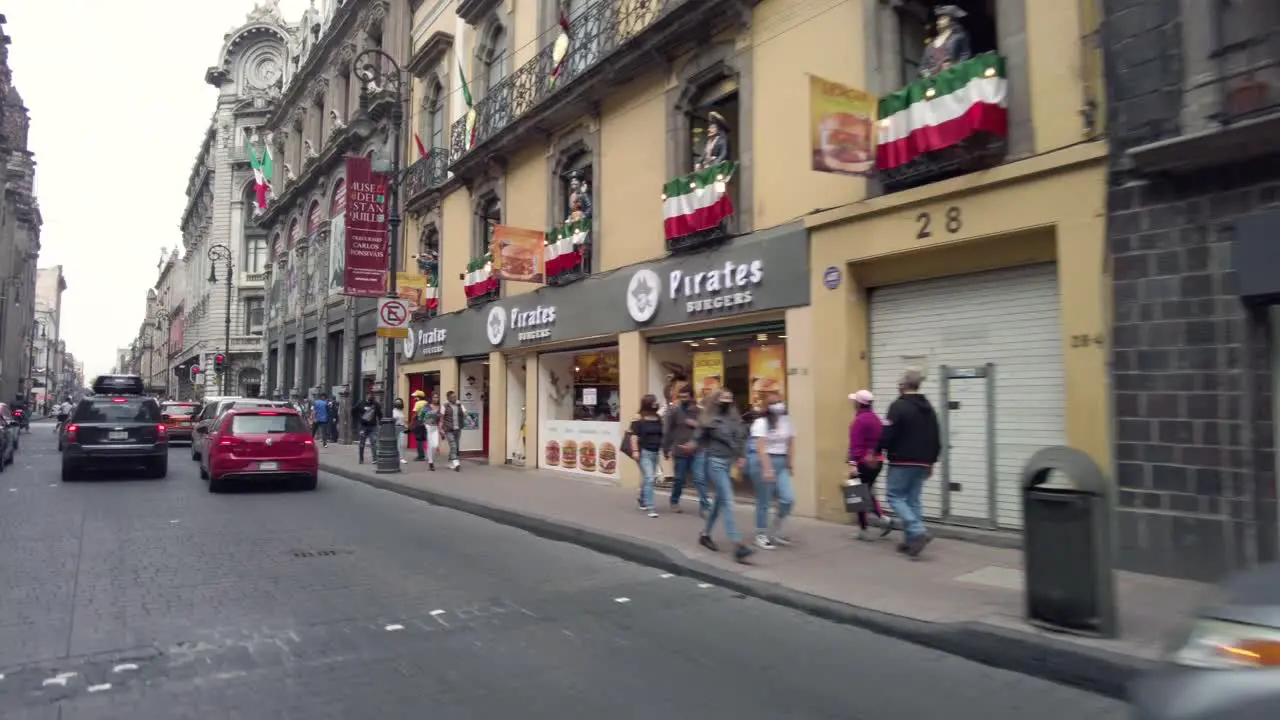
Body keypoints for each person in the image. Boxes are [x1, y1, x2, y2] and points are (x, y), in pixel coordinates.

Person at [877, 367, 942, 558]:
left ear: (904, 385)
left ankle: (917, 530)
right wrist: (931, 461)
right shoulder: (929, 408)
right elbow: (936, 436)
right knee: (913, 500)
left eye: (899, 384)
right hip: (922, 462)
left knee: (895, 497)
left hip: (902, 460)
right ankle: (910, 542)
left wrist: (877, 451)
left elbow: (888, 432)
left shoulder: (898, 406)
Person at [697, 389, 754, 563]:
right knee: (728, 500)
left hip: (729, 462)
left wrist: (742, 456)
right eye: (724, 398)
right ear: (716, 401)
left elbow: (742, 438)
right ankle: (738, 545)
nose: (727, 401)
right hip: (715, 462)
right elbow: (698, 437)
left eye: (730, 398)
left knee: (720, 502)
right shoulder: (709, 419)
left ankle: (705, 535)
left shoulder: (734, 419)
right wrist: (691, 445)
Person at [749, 389, 795, 550]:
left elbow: (790, 440)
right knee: (764, 501)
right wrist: (767, 469)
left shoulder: (786, 420)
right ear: (767, 406)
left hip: (781, 462)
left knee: (788, 499)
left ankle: (774, 531)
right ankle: (760, 534)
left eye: (779, 401)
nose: (778, 405)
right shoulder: (761, 423)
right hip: (764, 461)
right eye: (773, 403)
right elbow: (761, 448)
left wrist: (790, 461)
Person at [849, 390, 891, 541]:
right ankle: (882, 518)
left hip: (862, 462)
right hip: (877, 461)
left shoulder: (859, 421)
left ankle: (864, 529)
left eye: (854, 401)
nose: (852, 403)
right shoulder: (876, 419)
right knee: (866, 491)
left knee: (856, 494)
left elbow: (856, 445)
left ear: (859, 403)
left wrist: (853, 463)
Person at [662, 386, 709, 515]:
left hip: (698, 450)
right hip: (680, 450)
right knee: (680, 479)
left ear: (692, 397)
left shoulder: (700, 412)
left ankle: (705, 506)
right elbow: (668, 431)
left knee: (699, 478)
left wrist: (696, 424)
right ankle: (674, 501)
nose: (683, 399)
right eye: (681, 397)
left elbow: (708, 429)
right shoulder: (675, 412)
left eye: (686, 397)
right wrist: (666, 448)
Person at [630, 394, 665, 518]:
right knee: (650, 478)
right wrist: (635, 451)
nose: (656, 403)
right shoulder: (639, 417)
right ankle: (651, 507)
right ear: (648, 403)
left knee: (648, 477)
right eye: (654, 402)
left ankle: (643, 498)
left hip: (655, 452)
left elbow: (661, 434)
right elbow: (634, 435)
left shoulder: (658, 418)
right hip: (644, 451)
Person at [440, 390, 465, 471]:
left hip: (458, 428)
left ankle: (450, 462)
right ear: (448, 398)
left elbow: (465, 413)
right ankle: (456, 463)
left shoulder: (459, 405)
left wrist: (469, 419)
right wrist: (441, 429)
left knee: (455, 446)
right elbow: (441, 418)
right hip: (448, 429)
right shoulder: (445, 406)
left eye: (455, 396)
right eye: (453, 397)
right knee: (453, 445)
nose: (455, 398)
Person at [355, 393, 382, 464]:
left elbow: (380, 414)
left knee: (373, 442)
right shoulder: (361, 403)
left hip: (373, 426)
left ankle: (374, 459)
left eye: (371, 397)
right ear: (366, 397)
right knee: (362, 442)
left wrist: (380, 423)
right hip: (363, 426)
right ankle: (361, 459)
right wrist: (359, 418)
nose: (370, 398)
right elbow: (354, 410)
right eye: (369, 396)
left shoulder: (376, 405)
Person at [392, 398, 407, 464]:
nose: (398, 403)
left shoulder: (401, 411)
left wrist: (405, 425)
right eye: (397, 402)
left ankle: (401, 457)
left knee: (401, 443)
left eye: (399, 402)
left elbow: (403, 419)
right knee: (395, 443)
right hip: (395, 427)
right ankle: (395, 456)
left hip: (401, 427)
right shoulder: (393, 411)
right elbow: (393, 419)